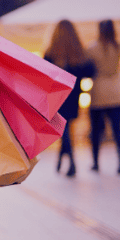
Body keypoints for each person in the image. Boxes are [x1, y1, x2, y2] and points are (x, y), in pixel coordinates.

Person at [44, 20, 96, 177]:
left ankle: (71, 161)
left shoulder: (51, 52)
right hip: (74, 96)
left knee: (63, 129)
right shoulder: (79, 52)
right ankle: (61, 160)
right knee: (66, 128)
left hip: (56, 96)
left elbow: (44, 74)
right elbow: (90, 71)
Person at [87, 19, 120, 175]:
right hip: (117, 90)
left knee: (96, 130)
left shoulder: (92, 48)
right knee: (118, 129)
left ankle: (96, 162)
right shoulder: (118, 46)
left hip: (99, 90)